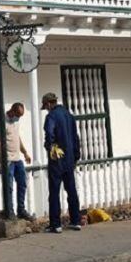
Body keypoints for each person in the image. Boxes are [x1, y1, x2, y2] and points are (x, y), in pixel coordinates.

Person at [41, 92, 81, 233]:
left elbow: (49, 134)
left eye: (45, 106)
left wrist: (50, 147)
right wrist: (76, 156)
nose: (46, 109)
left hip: (57, 159)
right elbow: (76, 137)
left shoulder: (51, 116)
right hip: (69, 159)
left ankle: (55, 224)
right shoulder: (69, 115)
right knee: (71, 190)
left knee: (54, 192)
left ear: (48, 104)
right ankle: (76, 221)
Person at [0, 102, 33, 220]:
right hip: (8, 160)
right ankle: (10, 212)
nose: (19, 118)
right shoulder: (2, 122)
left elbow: (17, 138)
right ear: (12, 111)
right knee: (9, 187)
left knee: (22, 184)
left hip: (17, 159)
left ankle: (21, 210)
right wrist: (1, 160)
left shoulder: (15, 122)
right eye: (18, 115)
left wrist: (25, 152)